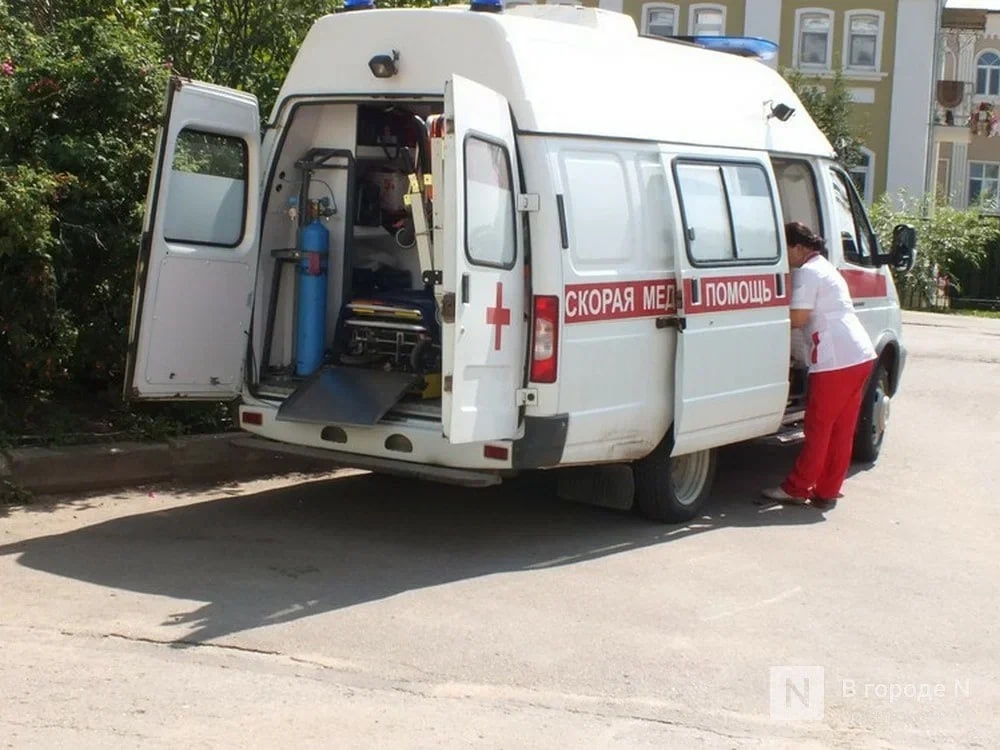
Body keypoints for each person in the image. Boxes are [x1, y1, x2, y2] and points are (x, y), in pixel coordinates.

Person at [762, 222, 877, 511]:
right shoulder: (826, 268)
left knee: (818, 427)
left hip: (834, 359)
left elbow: (798, 319)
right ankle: (827, 489)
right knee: (841, 428)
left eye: (785, 248)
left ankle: (797, 488)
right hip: (858, 353)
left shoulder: (807, 273)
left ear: (799, 247)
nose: (784, 256)